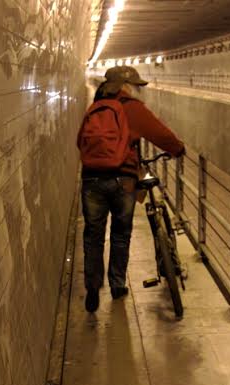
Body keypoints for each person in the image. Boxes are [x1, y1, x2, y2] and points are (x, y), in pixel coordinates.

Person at [77, 66, 186, 313]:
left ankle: (92, 288)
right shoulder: (132, 108)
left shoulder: (96, 106)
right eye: (134, 85)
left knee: (93, 236)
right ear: (125, 86)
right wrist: (178, 149)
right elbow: (161, 134)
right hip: (123, 180)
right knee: (120, 233)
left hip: (91, 179)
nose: (136, 89)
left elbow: (79, 141)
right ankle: (117, 285)